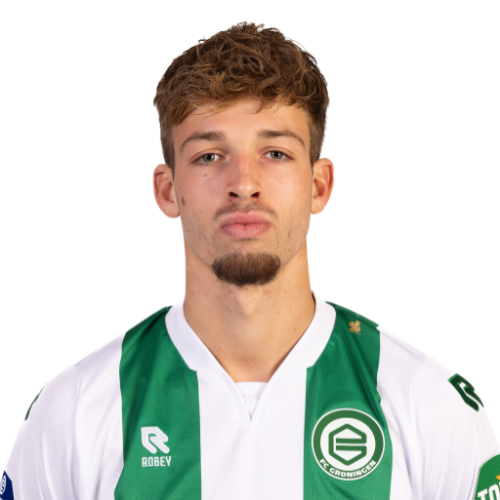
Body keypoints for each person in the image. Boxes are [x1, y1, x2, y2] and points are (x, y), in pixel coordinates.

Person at [1, 21, 499, 500]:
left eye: (275, 153)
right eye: (209, 156)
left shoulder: (429, 402)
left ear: (319, 185)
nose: (244, 182)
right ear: (167, 190)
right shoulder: (76, 410)